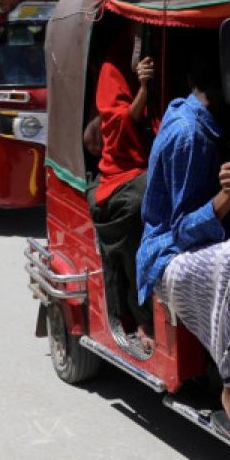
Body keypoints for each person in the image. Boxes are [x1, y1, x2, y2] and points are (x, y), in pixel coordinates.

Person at [137, 59, 230, 451]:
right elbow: (178, 230)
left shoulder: (209, 121)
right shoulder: (190, 133)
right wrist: (226, 196)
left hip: (200, 242)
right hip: (167, 255)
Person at [91, 27, 156, 357]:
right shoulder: (112, 69)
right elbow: (121, 124)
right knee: (141, 209)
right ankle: (141, 317)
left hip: (148, 161)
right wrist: (145, 87)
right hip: (121, 174)